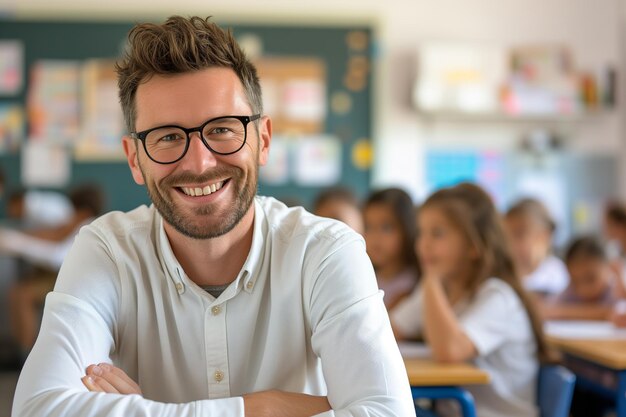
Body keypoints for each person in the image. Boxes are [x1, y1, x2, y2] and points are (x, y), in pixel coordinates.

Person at [12, 16, 414, 417]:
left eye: (222, 128)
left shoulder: (324, 251)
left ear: (263, 140)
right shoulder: (107, 251)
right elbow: (37, 409)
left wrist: (148, 410)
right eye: (168, 136)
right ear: (135, 159)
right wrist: (263, 407)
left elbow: (388, 413)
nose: (200, 163)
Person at [392, 183, 550, 417]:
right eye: (421, 233)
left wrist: (431, 279)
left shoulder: (498, 296)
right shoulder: (440, 288)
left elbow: (450, 351)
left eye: (437, 234)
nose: (423, 244)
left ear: (474, 246)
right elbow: (388, 330)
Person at [539, 235, 621, 321]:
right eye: (575, 281)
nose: (584, 289)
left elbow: (612, 312)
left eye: (590, 279)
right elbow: (548, 310)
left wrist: (564, 312)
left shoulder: (616, 290)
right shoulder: (570, 291)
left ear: (611, 268)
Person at [363, 188, 419, 310]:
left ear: (406, 228)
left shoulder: (414, 285)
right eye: (368, 227)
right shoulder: (364, 276)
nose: (375, 237)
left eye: (386, 227)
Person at [503, 198, 569, 296]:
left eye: (519, 235)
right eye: (507, 236)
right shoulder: (505, 276)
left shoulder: (556, 274)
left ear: (544, 236)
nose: (512, 243)